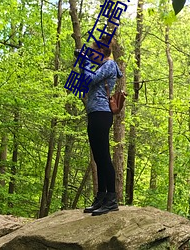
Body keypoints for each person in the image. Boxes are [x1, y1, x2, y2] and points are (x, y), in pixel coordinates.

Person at [82, 35, 123, 216]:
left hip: (101, 113)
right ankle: (102, 197)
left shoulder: (109, 65)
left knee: (104, 157)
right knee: (99, 157)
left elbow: (90, 80)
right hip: (94, 112)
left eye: (93, 51)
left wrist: (84, 61)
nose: (91, 54)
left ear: (101, 51)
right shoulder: (101, 66)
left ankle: (111, 199)